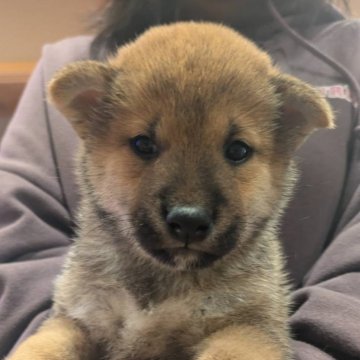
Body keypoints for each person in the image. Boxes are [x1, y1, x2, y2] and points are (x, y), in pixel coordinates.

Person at [0, 0, 359, 358]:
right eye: (144, 146)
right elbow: (21, 271)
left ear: (290, 124)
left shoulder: (351, 54)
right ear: (89, 106)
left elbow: (252, 332)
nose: (190, 205)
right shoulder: (62, 61)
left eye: (236, 151)